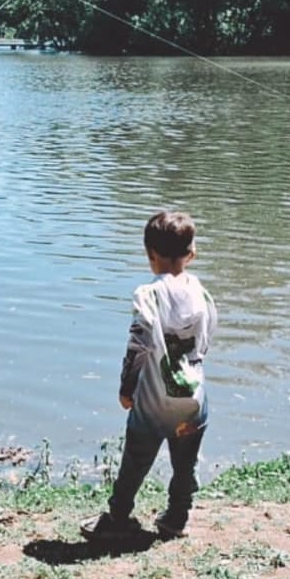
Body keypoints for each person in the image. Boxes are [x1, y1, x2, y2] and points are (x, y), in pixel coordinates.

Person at [81, 210, 219, 542]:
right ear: (192, 253)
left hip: (154, 402)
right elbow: (207, 337)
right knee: (185, 464)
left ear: (150, 256)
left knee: (135, 461)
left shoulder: (149, 294)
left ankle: (118, 517)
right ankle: (176, 518)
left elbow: (138, 346)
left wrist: (127, 387)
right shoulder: (201, 292)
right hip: (193, 402)